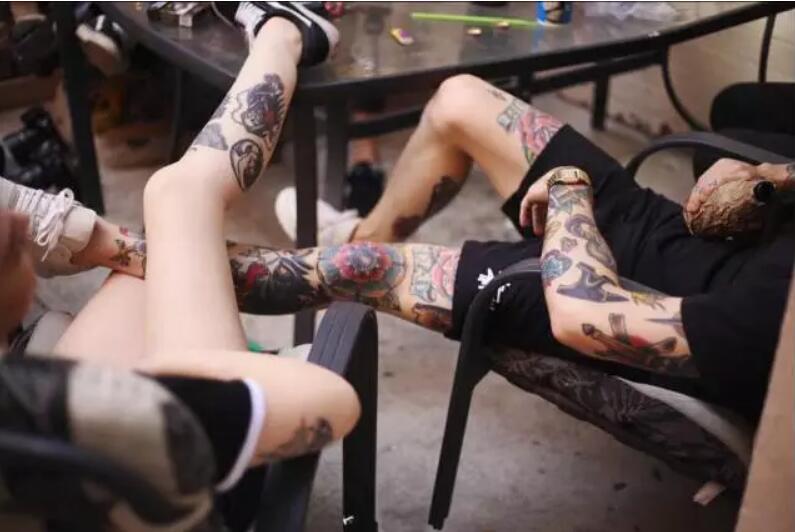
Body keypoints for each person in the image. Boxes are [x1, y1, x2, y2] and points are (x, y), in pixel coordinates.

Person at [6, 20, 795, 430]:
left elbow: (586, 315)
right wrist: (768, 181)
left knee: (357, 271)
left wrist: (564, 196)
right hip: (685, 240)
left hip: (626, 295)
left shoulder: (772, 323)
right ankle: (354, 225)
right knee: (457, 99)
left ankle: (339, 239)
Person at [0, 3, 359, 528]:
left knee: (154, 250)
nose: (14, 221)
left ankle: (282, 34)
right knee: (178, 194)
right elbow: (335, 401)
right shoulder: (91, 417)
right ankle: (282, 31)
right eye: (7, 243)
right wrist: (187, 370)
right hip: (179, 477)